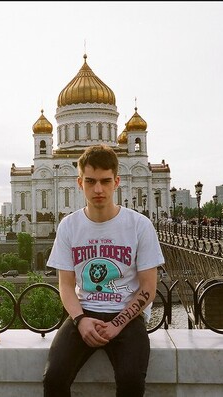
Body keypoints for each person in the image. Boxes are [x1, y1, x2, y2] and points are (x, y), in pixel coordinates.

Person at [43, 144, 165, 397]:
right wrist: (80, 320)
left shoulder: (139, 225)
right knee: (54, 378)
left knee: (131, 380)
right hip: (84, 311)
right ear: (80, 183)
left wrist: (118, 324)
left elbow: (148, 288)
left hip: (128, 316)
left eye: (105, 181)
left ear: (116, 181)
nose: (98, 189)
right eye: (90, 181)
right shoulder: (69, 226)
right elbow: (66, 285)